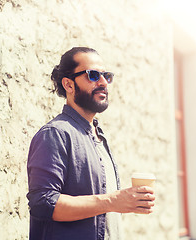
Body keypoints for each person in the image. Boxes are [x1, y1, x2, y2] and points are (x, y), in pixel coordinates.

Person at [26, 47, 155, 240]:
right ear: (69, 85)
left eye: (106, 76)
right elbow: (43, 203)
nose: (103, 82)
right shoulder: (55, 134)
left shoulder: (98, 135)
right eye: (93, 75)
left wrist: (124, 202)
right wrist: (112, 201)